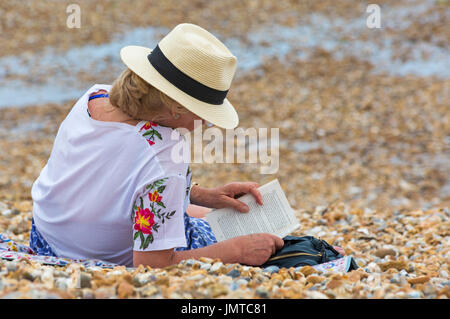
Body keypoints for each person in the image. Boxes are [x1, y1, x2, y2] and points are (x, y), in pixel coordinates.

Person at [30, 23, 342, 268]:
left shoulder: (94, 97)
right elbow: (152, 266)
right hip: (100, 258)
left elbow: (111, 177)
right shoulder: (164, 158)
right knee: (258, 242)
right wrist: (234, 251)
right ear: (176, 105)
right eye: (205, 114)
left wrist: (205, 195)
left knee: (195, 210)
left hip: (47, 237)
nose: (207, 124)